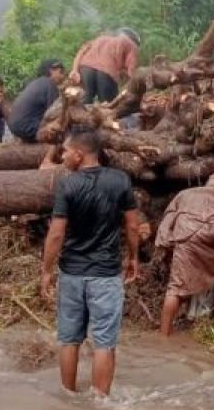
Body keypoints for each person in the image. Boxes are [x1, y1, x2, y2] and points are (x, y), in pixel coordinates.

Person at [40, 130, 141, 396]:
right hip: (106, 274)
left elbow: (57, 233)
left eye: (65, 151)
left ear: (79, 154)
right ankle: (101, 404)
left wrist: (46, 271)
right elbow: (132, 226)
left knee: (69, 339)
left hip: (71, 273)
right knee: (104, 343)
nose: (62, 156)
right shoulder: (119, 180)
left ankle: (68, 397)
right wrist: (134, 257)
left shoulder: (67, 184)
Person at [155, 174, 214, 336]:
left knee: (175, 289)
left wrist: (166, 242)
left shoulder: (185, 193)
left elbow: (168, 217)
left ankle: (164, 335)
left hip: (185, 239)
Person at [71, 29, 140, 104]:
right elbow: (131, 71)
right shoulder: (131, 44)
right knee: (108, 105)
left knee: (84, 102)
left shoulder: (100, 38)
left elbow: (81, 52)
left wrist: (74, 70)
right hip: (107, 72)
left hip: (86, 69)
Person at [8, 59, 65, 143]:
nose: (62, 76)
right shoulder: (50, 84)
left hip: (14, 126)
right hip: (27, 126)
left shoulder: (36, 83)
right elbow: (55, 113)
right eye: (61, 72)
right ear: (51, 71)